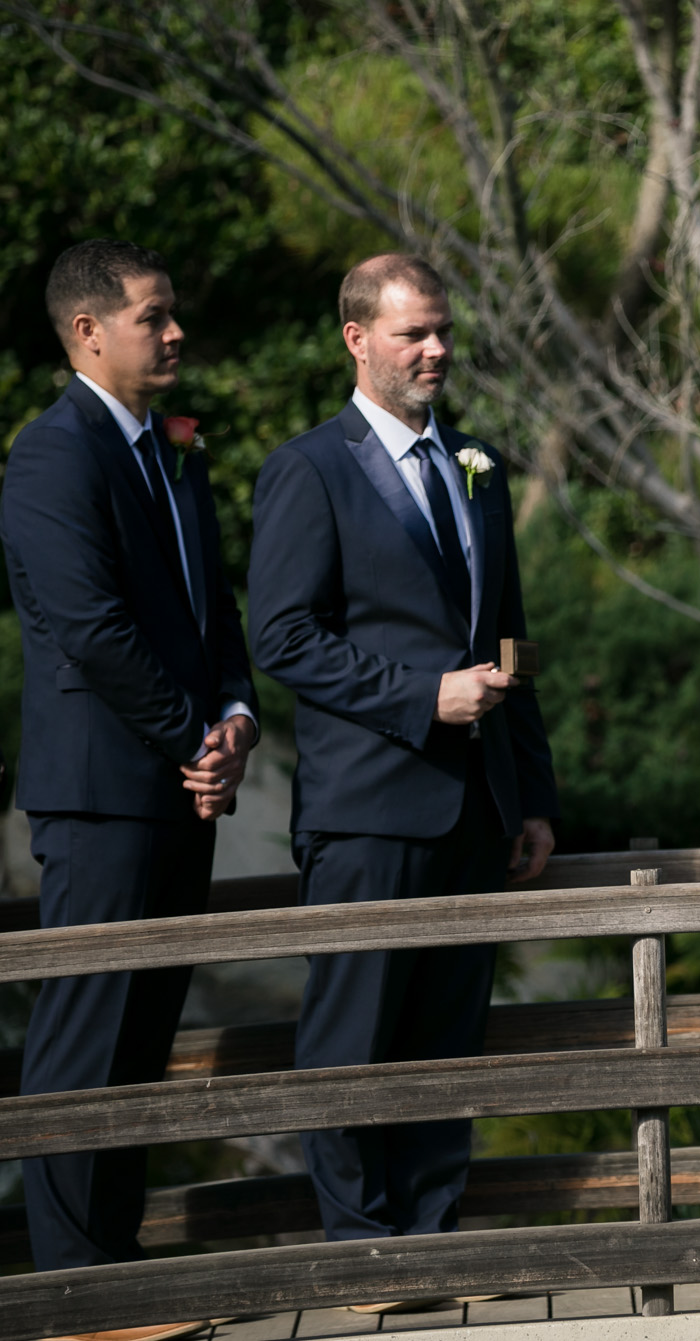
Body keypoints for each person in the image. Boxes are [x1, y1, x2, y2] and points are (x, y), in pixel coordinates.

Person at [247, 253, 559, 1248]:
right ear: (356, 339)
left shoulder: (478, 464)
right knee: (351, 1044)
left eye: (442, 332)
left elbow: (510, 635)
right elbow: (283, 639)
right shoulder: (308, 468)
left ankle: (431, 1238)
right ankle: (357, 1249)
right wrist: (423, 697)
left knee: (445, 1043)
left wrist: (532, 797)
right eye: (411, 334)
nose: (435, 351)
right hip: (366, 807)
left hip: (475, 806)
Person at [4, 241, 258, 1312]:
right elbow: (88, 627)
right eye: (153, 316)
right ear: (86, 332)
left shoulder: (173, 450)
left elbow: (213, 610)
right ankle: (71, 1287)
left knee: (143, 1034)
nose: (175, 332)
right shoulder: (52, 455)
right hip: (103, 790)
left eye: (172, 314)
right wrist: (192, 738)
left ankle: (115, 1262)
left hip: (175, 781)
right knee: (85, 1032)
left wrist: (238, 713)